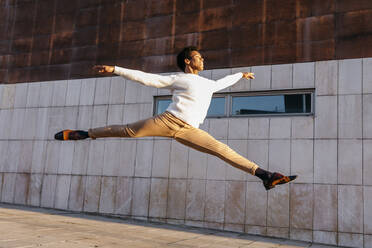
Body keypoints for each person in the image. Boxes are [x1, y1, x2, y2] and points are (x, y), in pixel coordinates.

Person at [55, 46, 296, 190]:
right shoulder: (178, 79)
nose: (203, 59)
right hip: (168, 121)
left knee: (222, 150)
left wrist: (240, 74)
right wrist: (117, 70)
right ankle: (86, 133)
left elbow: (224, 82)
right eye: (198, 56)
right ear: (188, 61)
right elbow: (147, 78)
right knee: (130, 131)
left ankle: (266, 176)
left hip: (190, 130)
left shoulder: (208, 84)